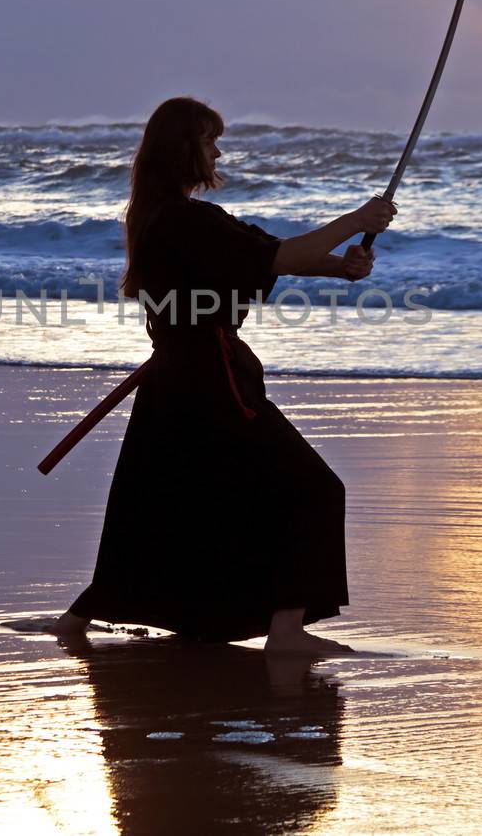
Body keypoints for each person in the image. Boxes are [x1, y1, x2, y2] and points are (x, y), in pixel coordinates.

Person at [52, 96, 395, 654]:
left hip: (176, 377)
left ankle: (77, 617)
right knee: (312, 489)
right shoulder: (186, 222)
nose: (218, 150)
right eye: (210, 140)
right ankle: (286, 633)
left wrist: (341, 265)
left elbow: (264, 253)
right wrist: (358, 221)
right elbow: (277, 257)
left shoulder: (165, 217)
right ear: (185, 148)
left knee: (169, 501)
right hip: (211, 379)